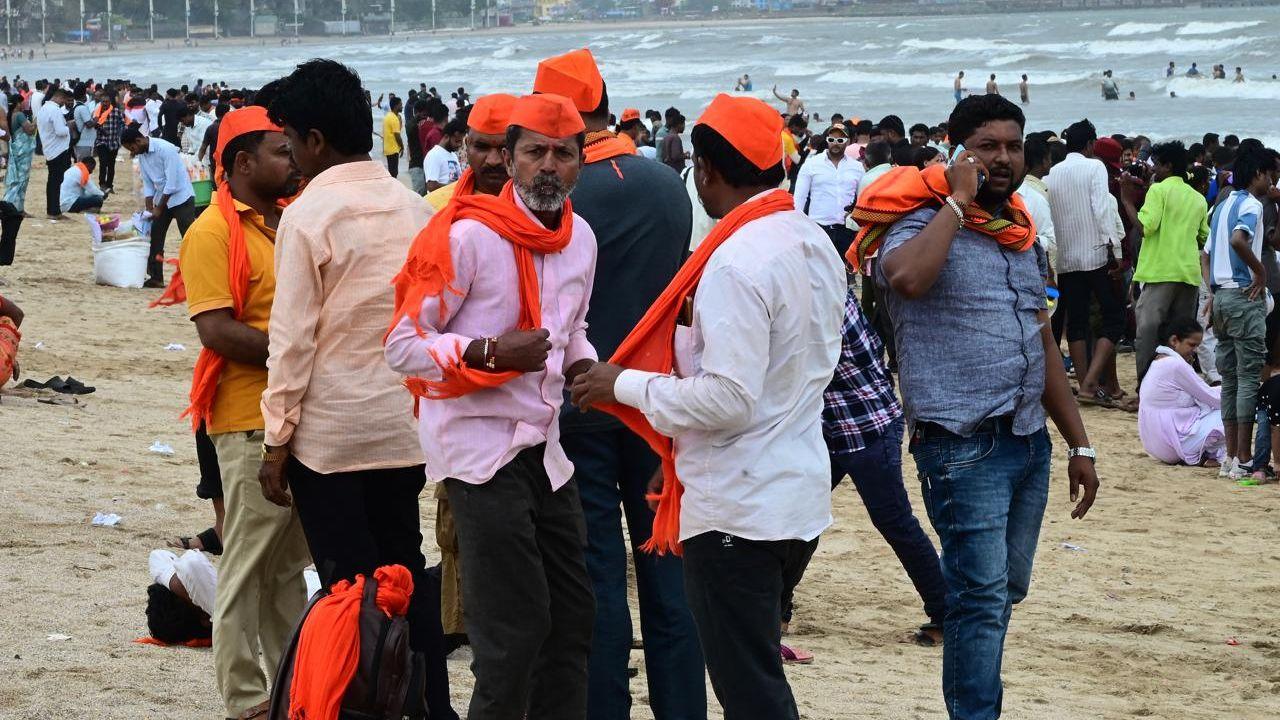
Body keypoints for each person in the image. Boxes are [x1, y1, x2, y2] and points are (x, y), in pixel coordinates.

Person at [570, 93, 845, 720]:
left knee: (751, 689)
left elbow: (728, 399)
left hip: (738, 508)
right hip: (795, 494)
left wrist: (623, 385)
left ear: (707, 171)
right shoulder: (810, 240)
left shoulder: (736, 259)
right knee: (753, 672)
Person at [856, 93, 1099, 719]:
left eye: (1012, 147)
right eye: (987, 146)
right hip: (961, 445)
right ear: (957, 153)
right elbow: (906, 279)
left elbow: (1041, 338)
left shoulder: (1019, 234)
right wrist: (957, 204)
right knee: (980, 599)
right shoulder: (917, 225)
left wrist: (1080, 443)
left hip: (1027, 443)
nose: (1002, 158)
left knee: (1003, 589)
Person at [384, 92, 596, 720]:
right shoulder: (466, 236)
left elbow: (572, 330)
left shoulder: (580, 238)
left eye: (563, 153)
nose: (549, 166)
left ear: (582, 161)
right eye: (536, 152)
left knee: (574, 619)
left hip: (546, 445)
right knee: (514, 631)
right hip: (478, 452)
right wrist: (486, 351)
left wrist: (591, 369)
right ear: (508, 158)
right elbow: (401, 345)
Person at [262, 59, 457, 720]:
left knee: (349, 589)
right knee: (406, 570)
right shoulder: (412, 206)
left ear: (315, 140)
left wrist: (275, 439)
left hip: (333, 439)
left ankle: (362, 705)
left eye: (289, 141)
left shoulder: (308, 215)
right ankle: (427, 704)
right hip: (406, 429)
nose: (287, 156)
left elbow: (292, 341)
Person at [533, 48, 706, 720]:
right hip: (656, 402)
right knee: (669, 574)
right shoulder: (668, 183)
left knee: (597, 580)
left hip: (580, 403)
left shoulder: (561, 194)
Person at [177, 104, 308, 720]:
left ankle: (287, 684)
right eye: (281, 151)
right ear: (242, 162)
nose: (292, 159)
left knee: (286, 569)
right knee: (247, 564)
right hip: (246, 418)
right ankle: (246, 697)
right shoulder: (212, 231)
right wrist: (299, 352)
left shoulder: (286, 221)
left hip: (296, 412)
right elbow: (217, 331)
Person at [822, 290, 947, 646]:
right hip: (830, 425)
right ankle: (777, 610)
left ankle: (946, 612)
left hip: (867, 425)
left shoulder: (826, 300)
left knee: (893, 519)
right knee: (799, 514)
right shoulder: (818, 288)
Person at [1204, 147, 1271, 479]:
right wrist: (1260, 272)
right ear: (1258, 173)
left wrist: (1211, 290)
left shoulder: (1221, 205)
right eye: (1270, 174)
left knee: (1229, 378)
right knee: (1247, 378)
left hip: (1220, 298)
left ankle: (1229, 457)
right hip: (1243, 297)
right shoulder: (1251, 204)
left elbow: (1206, 254)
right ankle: (1244, 458)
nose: (1272, 181)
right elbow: (1238, 240)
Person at [1047, 119, 1125, 405]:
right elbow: (1101, 208)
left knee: (1077, 321)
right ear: (1091, 145)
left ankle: (1085, 386)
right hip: (1093, 254)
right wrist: (1115, 250)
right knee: (1114, 317)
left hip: (1066, 257)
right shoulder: (1095, 167)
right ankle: (1091, 382)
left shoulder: (1052, 173)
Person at [1133, 141, 1210, 382]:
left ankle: (1145, 386)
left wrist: (1126, 200)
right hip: (1188, 273)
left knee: (1148, 332)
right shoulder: (1197, 198)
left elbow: (1147, 227)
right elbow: (1204, 238)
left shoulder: (1158, 190)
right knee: (1180, 333)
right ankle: (1177, 383)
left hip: (1160, 271)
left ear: (1167, 166)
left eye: (1157, 164)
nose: (1153, 169)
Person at [1138, 317, 1225, 466]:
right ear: (1174, 341)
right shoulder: (1174, 364)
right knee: (1232, 412)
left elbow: (1204, 392)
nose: (1195, 350)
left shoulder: (1159, 360)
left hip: (1157, 444)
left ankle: (1206, 455)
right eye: (1192, 345)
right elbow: (1210, 398)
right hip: (1172, 444)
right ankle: (1203, 455)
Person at [122, 125, 196, 288]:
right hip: (161, 200)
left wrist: (159, 207)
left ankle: (195, 278)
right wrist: (149, 206)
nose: (132, 151)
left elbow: (172, 183)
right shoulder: (142, 155)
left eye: (132, 147)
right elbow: (148, 182)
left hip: (181, 198)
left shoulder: (166, 149)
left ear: (139, 140)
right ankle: (156, 277)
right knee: (155, 237)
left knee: (190, 239)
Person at [794, 122, 863, 258]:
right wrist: (798, 226)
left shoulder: (857, 167)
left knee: (846, 273)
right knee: (819, 273)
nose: (835, 143)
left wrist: (856, 217)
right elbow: (799, 198)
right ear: (827, 140)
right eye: (831, 139)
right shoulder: (811, 164)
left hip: (847, 229)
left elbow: (862, 198)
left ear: (848, 142)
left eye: (840, 140)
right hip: (818, 228)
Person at [1017, 136, 1057, 267]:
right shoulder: (1037, 196)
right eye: (1050, 158)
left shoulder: (1028, 191)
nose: (1051, 162)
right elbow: (1050, 243)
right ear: (1045, 160)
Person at [35, 86, 72, 219]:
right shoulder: (54, 109)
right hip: (58, 150)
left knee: (53, 182)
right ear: (58, 97)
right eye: (64, 100)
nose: (64, 103)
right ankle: (54, 211)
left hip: (50, 149)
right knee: (56, 182)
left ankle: (53, 210)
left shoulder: (43, 109)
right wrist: (69, 127)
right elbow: (60, 131)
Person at [3, 101, 35, 218]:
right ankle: (12, 207)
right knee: (21, 180)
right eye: (22, 102)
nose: (24, 104)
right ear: (17, 103)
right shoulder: (20, 115)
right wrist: (35, 122)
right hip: (22, 151)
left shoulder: (9, 115)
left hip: (15, 149)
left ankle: (17, 208)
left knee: (16, 179)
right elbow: (29, 130)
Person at [423, 118, 465, 193]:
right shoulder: (434, 155)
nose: (460, 145)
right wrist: (454, 188)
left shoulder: (453, 155)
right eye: (457, 141)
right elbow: (431, 186)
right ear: (446, 137)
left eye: (461, 141)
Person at [92, 91, 124, 191]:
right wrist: (97, 126)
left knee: (111, 165)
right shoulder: (97, 113)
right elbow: (93, 125)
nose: (105, 103)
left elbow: (122, 124)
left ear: (110, 102)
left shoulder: (116, 111)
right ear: (100, 102)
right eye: (103, 102)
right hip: (102, 141)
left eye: (107, 101)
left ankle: (110, 185)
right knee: (103, 164)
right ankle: (102, 185)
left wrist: (121, 135)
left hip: (113, 142)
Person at [405, 98, 428, 195]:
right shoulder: (412, 125)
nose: (426, 117)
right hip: (416, 164)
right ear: (418, 112)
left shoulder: (421, 125)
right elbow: (409, 128)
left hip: (423, 164)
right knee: (419, 194)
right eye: (424, 114)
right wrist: (419, 120)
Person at [71, 85, 97, 161]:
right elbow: (89, 124)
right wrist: (96, 120)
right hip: (83, 142)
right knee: (83, 165)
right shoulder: (82, 108)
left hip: (82, 142)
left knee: (81, 164)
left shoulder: (76, 106)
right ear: (83, 95)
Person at [383, 94, 404, 178]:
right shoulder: (394, 118)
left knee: (392, 172)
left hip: (388, 148)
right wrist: (402, 147)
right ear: (396, 106)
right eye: (400, 105)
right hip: (393, 149)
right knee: (394, 173)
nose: (402, 106)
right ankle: (391, 190)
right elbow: (397, 135)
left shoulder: (388, 116)